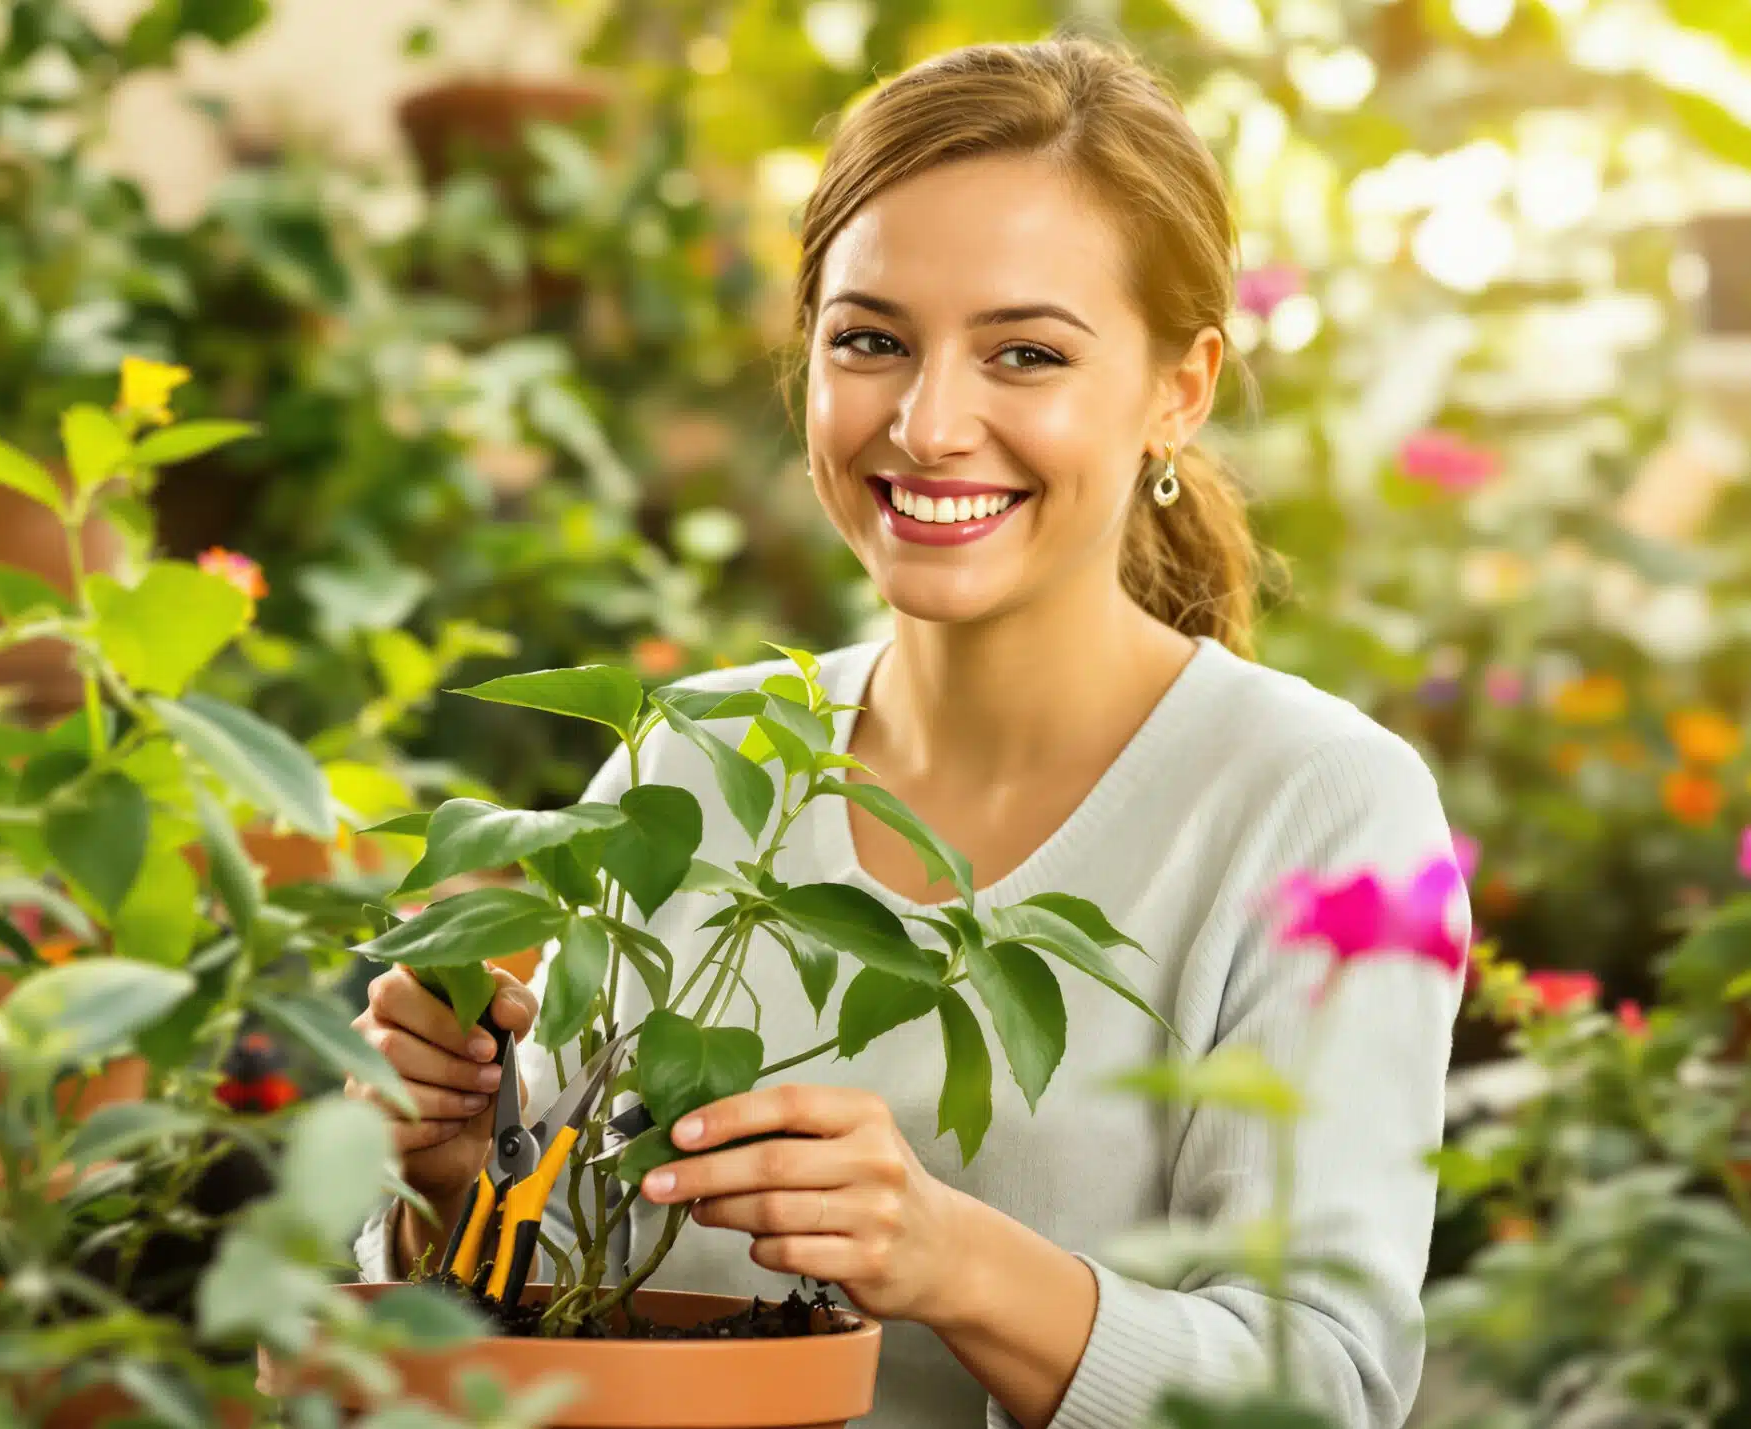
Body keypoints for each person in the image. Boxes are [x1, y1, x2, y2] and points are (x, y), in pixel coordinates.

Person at [347, 34, 1465, 1429]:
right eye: (871, 340)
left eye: (1028, 353)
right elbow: (550, 1307)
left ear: (1178, 390)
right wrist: (448, 1178)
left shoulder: (1316, 807)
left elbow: (1328, 1389)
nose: (931, 424)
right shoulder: (688, 760)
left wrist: (957, 1263)